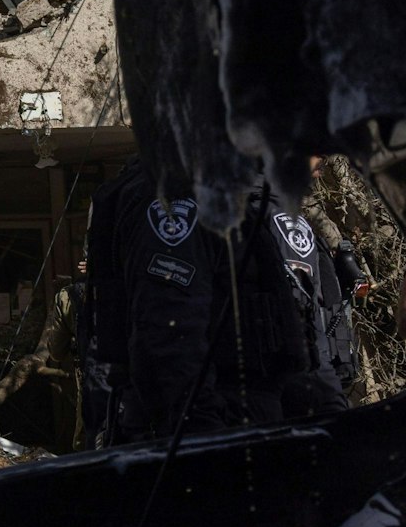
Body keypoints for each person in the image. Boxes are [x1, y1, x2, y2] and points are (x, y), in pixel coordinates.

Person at [80, 158, 352, 446]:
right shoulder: (177, 196)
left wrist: (331, 424)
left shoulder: (248, 203)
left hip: (259, 427)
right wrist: (209, 447)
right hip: (211, 439)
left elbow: (302, 336)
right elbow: (169, 347)